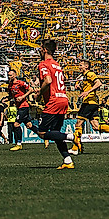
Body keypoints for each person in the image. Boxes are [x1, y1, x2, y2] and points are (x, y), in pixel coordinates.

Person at [33, 38, 78, 169]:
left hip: (54, 102)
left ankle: (72, 137)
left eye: (40, 48)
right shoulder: (57, 65)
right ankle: (68, 161)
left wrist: (39, 94)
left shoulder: (43, 64)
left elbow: (48, 81)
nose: (39, 51)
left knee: (42, 133)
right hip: (63, 99)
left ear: (45, 50)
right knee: (55, 132)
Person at [73, 59, 109, 153]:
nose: (79, 67)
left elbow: (99, 83)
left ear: (86, 66)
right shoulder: (84, 77)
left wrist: (87, 92)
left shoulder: (90, 74)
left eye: (81, 65)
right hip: (93, 103)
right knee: (96, 126)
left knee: (78, 124)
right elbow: (86, 88)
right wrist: (80, 88)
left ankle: (75, 148)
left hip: (88, 102)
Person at [5, 68, 31, 151]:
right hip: (19, 107)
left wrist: (22, 97)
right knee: (29, 125)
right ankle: (44, 136)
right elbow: (11, 96)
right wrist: (6, 99)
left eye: (11, 75)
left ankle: (18, 144)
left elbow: (30, 90)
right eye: (8, 75)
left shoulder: (20, 83)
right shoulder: (10, 85)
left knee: (16, 124)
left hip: (24, 106)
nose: (10, 77)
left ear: (15, 75)